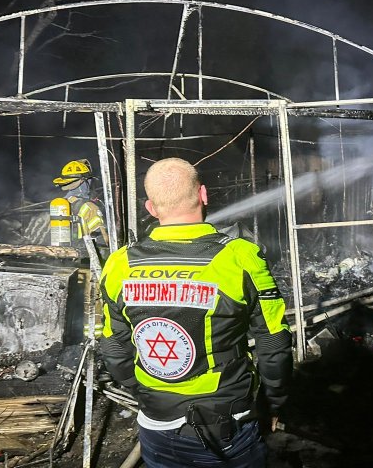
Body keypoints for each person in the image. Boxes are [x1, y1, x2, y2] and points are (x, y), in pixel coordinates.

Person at [99, 157, 292, 467]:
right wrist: (275, 401)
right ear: (203, 195)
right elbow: (273, 343)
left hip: (156, 428)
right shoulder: (241, 257)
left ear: (151, 207)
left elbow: (112, 346)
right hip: (229, 426)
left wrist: (145, 394)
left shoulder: (119, 263)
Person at [51, 158, 108, 249]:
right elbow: (103, 240)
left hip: (62, 254)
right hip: (85, 255)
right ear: (85, 181)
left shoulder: (58, 204)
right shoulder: (90, 207)